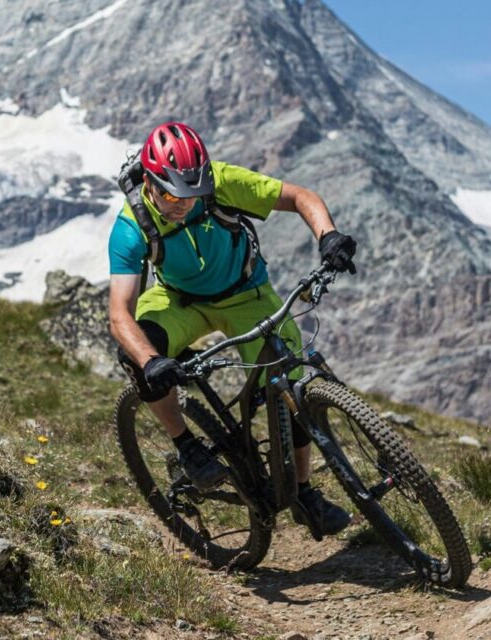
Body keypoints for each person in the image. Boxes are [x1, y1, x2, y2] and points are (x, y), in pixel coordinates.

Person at [107, 121, 357, 535]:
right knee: (136, 353)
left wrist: (328, 235)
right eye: (170, 194)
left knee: (293, 384)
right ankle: (186, 446)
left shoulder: (220, 183)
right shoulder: (131, 227)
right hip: (179, 301)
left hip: (247, 294)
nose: (181, 204)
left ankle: (304, 493)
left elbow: (300, 197)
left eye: (190, 194)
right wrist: (151, 362)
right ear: (149, 180)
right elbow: (120, 314)